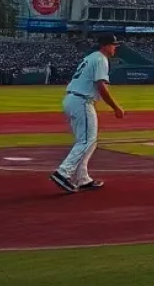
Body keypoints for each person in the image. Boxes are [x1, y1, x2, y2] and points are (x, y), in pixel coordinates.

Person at [50, 33, 125, 194]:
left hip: (73, 99)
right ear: (105, 45)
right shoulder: (100, 59)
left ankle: (83, 178)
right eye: (113, 45)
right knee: (88, 141)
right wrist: (115, 107)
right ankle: (63, 172)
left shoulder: (92, 57)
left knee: (85, 141)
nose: (115, 48)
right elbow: (101, 86)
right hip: (82, 101)